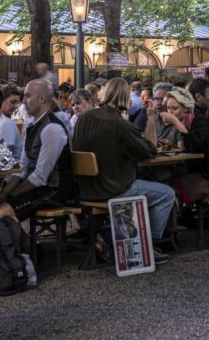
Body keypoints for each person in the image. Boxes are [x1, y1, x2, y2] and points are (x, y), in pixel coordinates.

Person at [72, 78, 175, 263]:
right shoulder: (120, 125)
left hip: (87, 190)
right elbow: (150, 150)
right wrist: (150, 117)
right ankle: (147, 244)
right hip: (114, 188)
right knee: (166, 194)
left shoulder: (83, 119)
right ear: (126, 97)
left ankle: (112, 235)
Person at [0, 79, 72, 221]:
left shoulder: (52, 129)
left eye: (28, 96)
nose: (23, 101)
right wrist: (3, 193)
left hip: (52, 191)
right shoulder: (30, 123)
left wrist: (12, 194)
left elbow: (40, 177)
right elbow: (23, 166)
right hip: (36, 187)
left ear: (42, 99)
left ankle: (16, 242)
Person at [158, 88, 209, 202]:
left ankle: (184, 217)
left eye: (175, 108)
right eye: (168, 108)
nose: (170, 112)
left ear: (186, 109)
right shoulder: (185, 122)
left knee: (170, 187)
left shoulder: (200, 121)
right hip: (198, 170)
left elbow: (195, 146)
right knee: (161, 177)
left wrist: (177, 123)